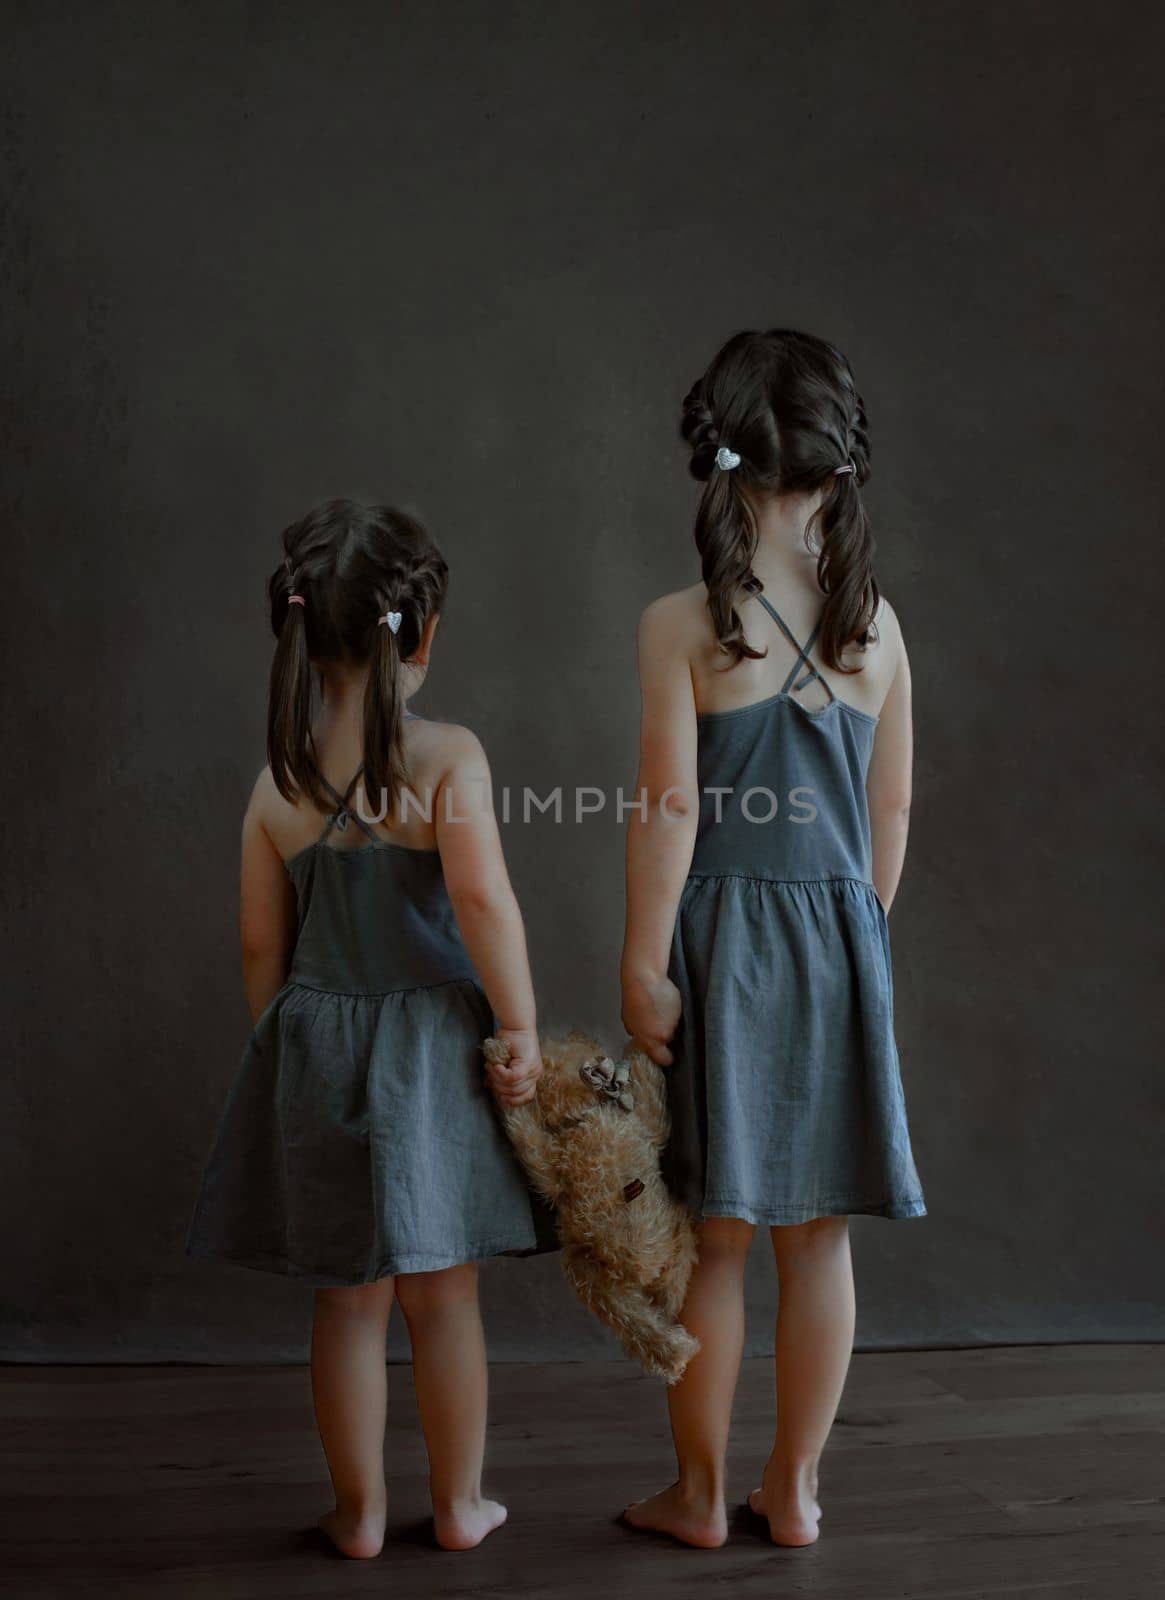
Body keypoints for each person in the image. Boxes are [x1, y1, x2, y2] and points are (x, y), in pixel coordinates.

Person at [187, 499, 543, 1557]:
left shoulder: (277, 784)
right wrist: (518, 1023)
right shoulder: (448, 760)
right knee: (444, 1300)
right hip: (434, 1053)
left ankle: (357, 1514)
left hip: (321, 1048)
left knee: (346, 1306)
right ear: (421, 635)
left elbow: (263, 947)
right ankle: (462, 1505)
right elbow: (484, 906)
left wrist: (287, 1042)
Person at [620, 330, 926, 1549]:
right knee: (820, 1241)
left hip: (724, 940)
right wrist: (857, 934)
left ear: (721, 461)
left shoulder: (680, 623)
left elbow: (668, 810)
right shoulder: (879, 628)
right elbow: (890, 811)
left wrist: (646, 962)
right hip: (842, 934)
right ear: (840, 465)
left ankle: (697, 1496)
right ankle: (793, 1491)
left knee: (717, 1238)